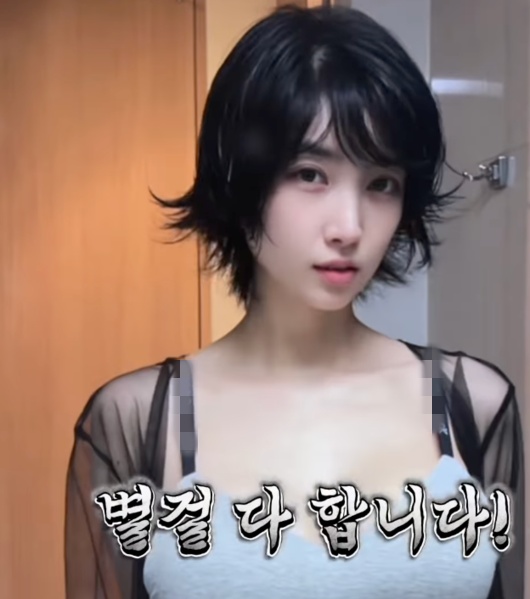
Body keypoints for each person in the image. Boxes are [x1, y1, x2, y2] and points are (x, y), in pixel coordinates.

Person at [64, 5, 524, 599]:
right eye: (310, 174)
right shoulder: (136, 420)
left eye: (381, 183)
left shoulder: (473, 405)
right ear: (239, 178)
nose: (349, 227)